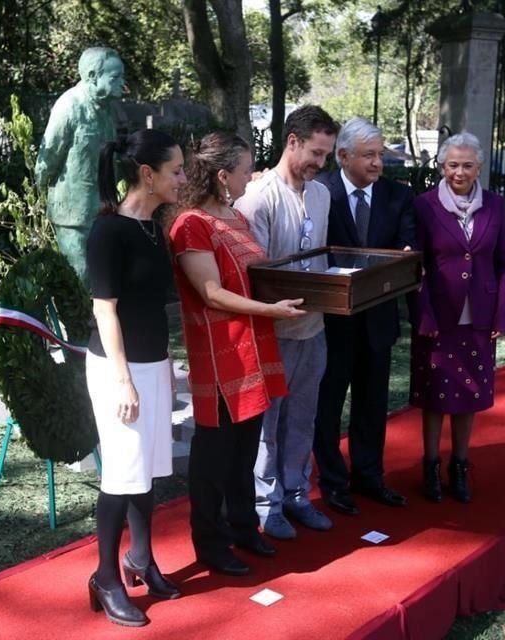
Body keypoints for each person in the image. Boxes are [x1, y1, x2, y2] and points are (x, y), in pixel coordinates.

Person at [170, 131, 306, 575]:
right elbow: (210, 293)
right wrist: (270, 309)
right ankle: (210, 542)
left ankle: (243, 526)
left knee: (245, 447)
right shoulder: (192, 223)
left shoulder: (235, 217)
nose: (254, 175)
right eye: (247, 169)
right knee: (215, 454)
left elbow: (254, 277)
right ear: (223, 175)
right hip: (220, 351)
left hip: (252, 347)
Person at [84, 129, 187, 627]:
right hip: (115, 367)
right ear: (148, 174)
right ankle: (106, 576)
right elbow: (105, 310)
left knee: (145, 468)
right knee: (122, 473)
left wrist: (161, 365)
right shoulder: (109, 231)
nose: (183, 178)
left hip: (153, 363)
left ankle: (141, 559)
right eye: (176, 171)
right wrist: (123, 380)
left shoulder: (153, 227)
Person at [236, 105, 339, 540]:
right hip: (271, 334)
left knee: (304, 417)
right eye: (316, 152)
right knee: (269, 424)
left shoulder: (322, 194)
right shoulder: (257, 197)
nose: (321, 163)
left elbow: (320, 259)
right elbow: (254, 275)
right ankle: (266, 504)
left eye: (327, 154)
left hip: (313, 330)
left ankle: (297, 494)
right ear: (292, 142)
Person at [313, 117, 416, 516]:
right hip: (332, 323)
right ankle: (333, 483)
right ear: (343, 156)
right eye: (369, 155)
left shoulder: (398, 195)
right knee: (328, 405)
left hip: (378, 321)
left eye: (380, 155)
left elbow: (407, 249)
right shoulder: (322, 191)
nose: (378, 163)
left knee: (372, 405)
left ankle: (369, 477)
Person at [409, 132, 505, 504]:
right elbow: (415, 267)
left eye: (467, 165)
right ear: (442, 166)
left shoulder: (495, 206)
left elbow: (504, 263)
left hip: (480, 318)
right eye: (453, 164)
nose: (460, 172)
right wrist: (423, 315)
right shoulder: (423, 206)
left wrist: (503, 312)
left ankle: (461, 466)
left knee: (469, 394)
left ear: (479, 167)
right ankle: (431, 466)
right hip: (438, 316)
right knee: (435, 396)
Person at [36, 47, 124, 280]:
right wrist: (40, 193)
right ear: (93, 76)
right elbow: (48, 157)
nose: (122, 83)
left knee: (102, 277)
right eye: (116, 77)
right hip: (73, 213)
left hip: (103, 208)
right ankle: (75, 318)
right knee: (79, 275)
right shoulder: (70, 106)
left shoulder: (106, 111)